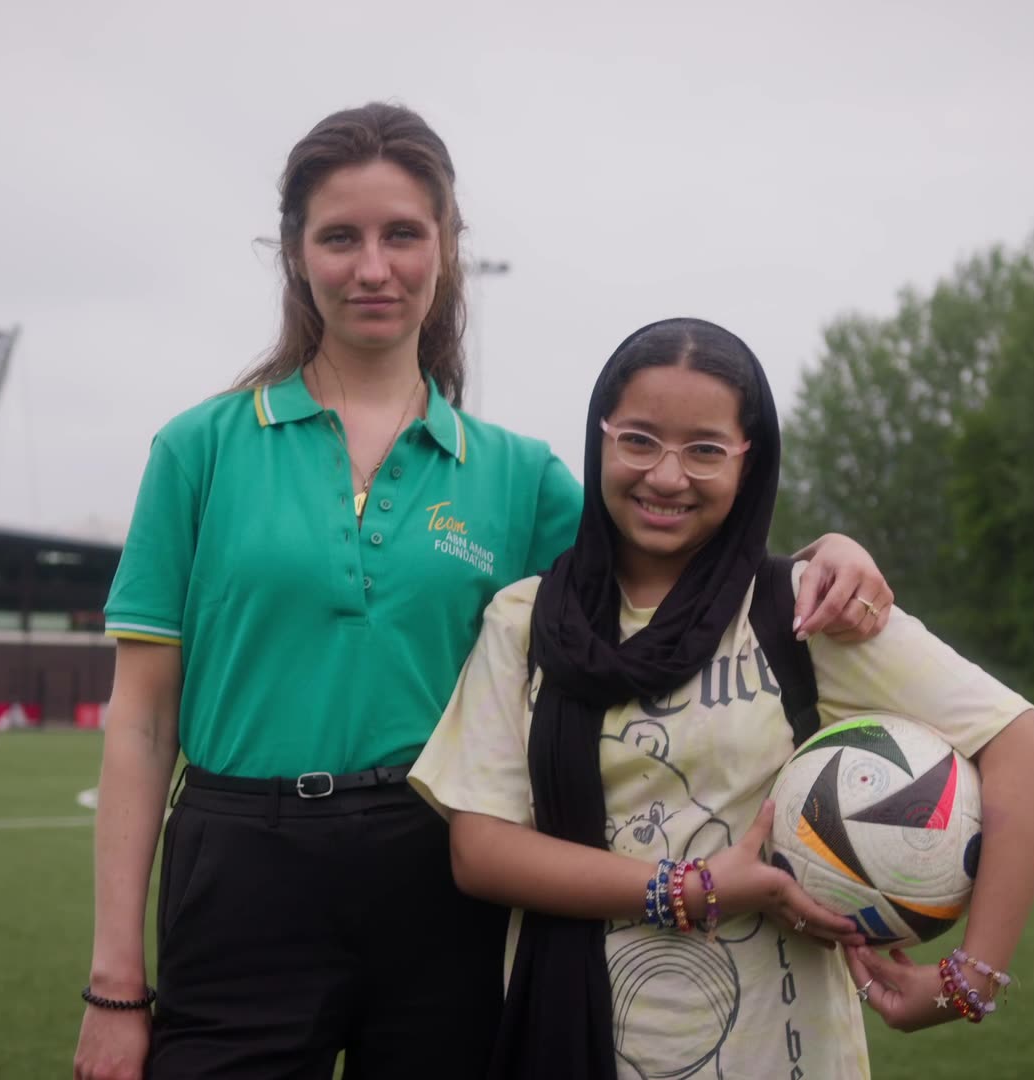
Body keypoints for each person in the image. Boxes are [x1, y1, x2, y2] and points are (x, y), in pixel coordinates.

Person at [72, 106, 897, 1080]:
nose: (372, 267)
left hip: (441, 880)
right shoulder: (198, 450)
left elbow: (670, 557)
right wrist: (116, 983)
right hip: (240, 867)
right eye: (340, 237)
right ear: (295, 254)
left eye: (402, 235)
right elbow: (138, 725)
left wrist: (821, 550)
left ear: (447, 249)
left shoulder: (517, 476)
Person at [409, 317, 1034, 1079]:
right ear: (601, 439)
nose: (666, 475)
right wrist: (697, 888)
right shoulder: (525, 620)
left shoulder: (805, 608)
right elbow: (482, 852)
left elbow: (1026, 745)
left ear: (749, 463)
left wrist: (968, 982)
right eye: (640, 440)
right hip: (572, 1039)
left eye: (705, 450)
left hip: (780, 1051)